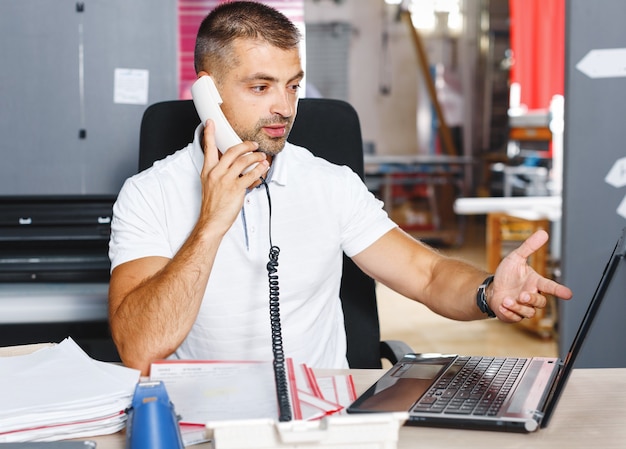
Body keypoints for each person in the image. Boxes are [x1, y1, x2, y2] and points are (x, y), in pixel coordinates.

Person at [108, 1, 572, 376]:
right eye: (261, 87)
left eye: (292, 86)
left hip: (323, 421)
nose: (284, 108)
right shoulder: (149, 193)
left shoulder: (329, 183)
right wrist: (211, 223)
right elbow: (139, 348)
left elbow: (427, 275)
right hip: (204, 423)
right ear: (207, 92)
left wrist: (489, 292)